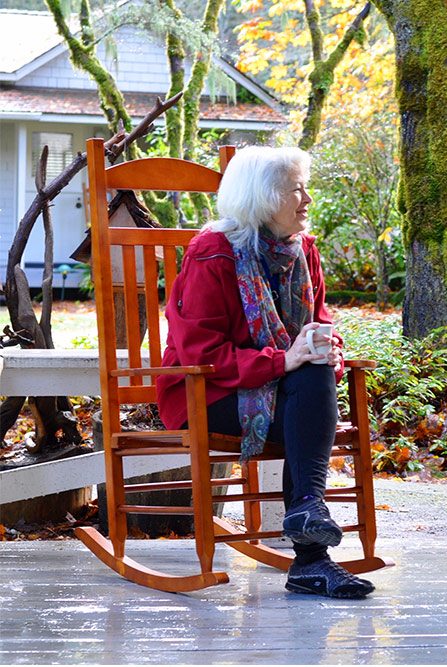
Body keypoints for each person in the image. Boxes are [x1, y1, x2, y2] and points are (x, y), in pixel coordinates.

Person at [155, 146, 375, 600]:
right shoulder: (211, 254)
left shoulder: (302, 250)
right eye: (297, 190)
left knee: (314, 371)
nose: (308, 199)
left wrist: (323, 342)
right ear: (264, 197)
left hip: (285, 392)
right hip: (209, 395)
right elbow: (202, 350)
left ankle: (308, 530)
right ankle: (312, 555)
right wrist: (282, 360)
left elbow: (319, 317)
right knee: (308, 381)